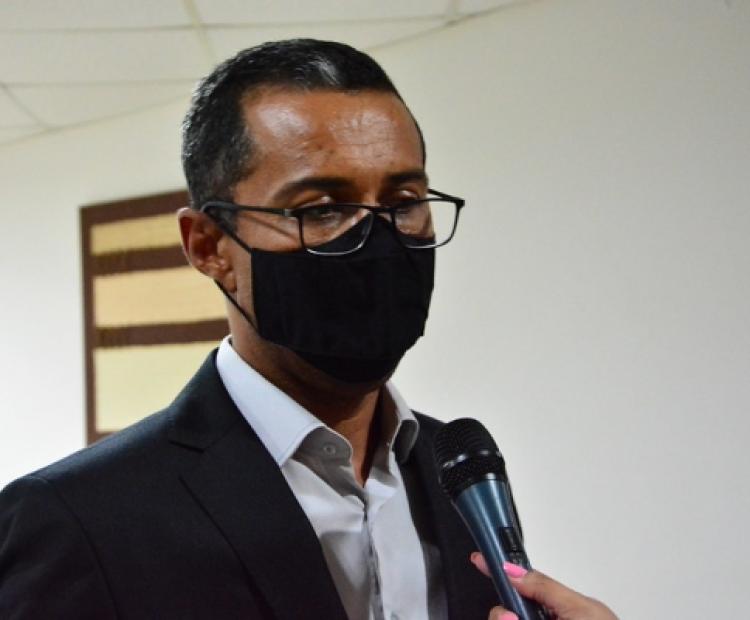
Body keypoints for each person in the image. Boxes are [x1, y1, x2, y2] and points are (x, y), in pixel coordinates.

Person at [0, 39, 616, 620]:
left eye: (404, 202)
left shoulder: (457, 470)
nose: (376, 239)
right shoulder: (76, 518)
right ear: (209, 246)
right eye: (322, 209)